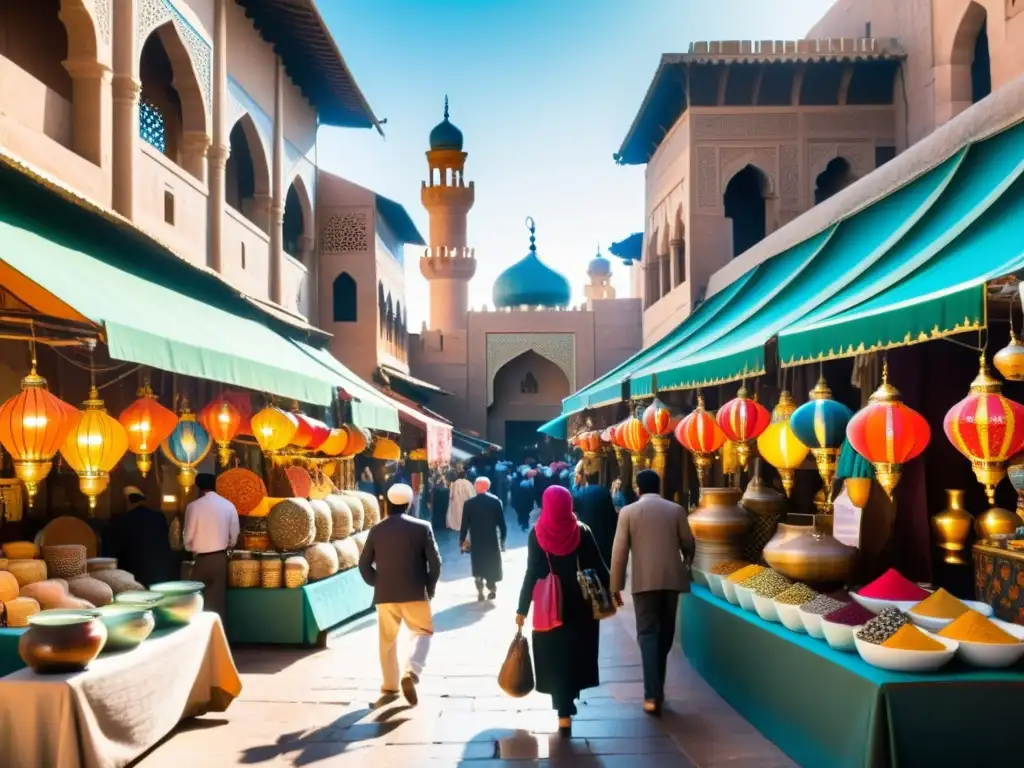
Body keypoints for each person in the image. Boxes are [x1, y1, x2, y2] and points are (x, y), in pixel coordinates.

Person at [516, 485, 611, 736]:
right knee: (575, 651)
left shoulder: (537, 534)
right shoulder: (582, 531)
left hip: (550, 606)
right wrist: (611, 593)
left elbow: (531, 573)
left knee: (554, 654)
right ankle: (569, 699)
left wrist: (522, 608)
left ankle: (563, 709)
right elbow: (600, 568)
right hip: (581, 602)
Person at [610, 469, 695, 716]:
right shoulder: (676, 510)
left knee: (648, 634)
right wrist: (687, 562)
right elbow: (688, 542)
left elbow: (619, 552)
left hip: (643, 582)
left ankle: (651, 694)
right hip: (671, 580)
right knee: (666, 633)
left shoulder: (627, 512)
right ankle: (656, 687)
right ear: (659, 486)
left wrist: (616, 586)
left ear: (638, 488)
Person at [359, 483, 442, 706]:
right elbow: (435, 563)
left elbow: (364, 564)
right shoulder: (422, 527)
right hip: (415, 591)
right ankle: (412, 671)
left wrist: (378, 583)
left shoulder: (377, 529)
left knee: (387, 642)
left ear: (387, 503)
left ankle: (390, 687)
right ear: (409, 503)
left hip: (385, 594)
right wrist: (429, 587)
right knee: (423, 632)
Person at [184, 473, 240, 620]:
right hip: (220, 560)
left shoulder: (193, 507)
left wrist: (189, 548)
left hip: (200, 560)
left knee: (195, 602)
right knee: (217, 604)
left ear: (199, 488)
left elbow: (188, 536)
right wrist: (228, 545)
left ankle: (197, 637)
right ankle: (217, 637)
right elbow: (234, 536)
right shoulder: (228, 506)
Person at [103, 486, 176, 588]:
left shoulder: (122, 521)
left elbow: (110, 553)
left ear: (127, 502)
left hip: (136, 577)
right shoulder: (159, 517)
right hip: (162, 574)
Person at [460, 476, 507, 601]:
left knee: (478, 564)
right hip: (491, 539)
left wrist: (462, 542)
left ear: (476, 487)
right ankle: (491, 587)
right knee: (491, 564)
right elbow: (502, 524)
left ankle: (479, 587)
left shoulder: (469, 504)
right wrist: (502, 540)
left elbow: (464, 525)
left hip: (476, 540)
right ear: (488, 487)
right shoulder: (495, 502)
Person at [572, 471, 618, 568]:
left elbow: (574, 512)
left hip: (585, 533)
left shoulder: (580, 493)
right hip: (603, 534)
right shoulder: (604, 492)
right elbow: (611, 513)